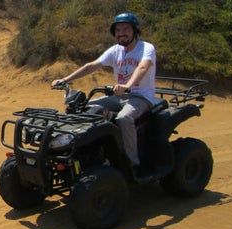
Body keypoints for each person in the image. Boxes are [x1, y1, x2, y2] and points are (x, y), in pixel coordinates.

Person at [51, 12, 156, 171]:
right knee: (86, 107)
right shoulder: (115, 50)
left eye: (126, 29)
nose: (121, 33)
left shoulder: (146, 48)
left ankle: (132, 163)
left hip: (141, 97)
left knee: (124, 118)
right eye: (118, 30)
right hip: (119, 96)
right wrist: (65, 79)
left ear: (134, 31)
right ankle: (89, 151)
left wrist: (127, 85)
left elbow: (143, 67)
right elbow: (92, 65)